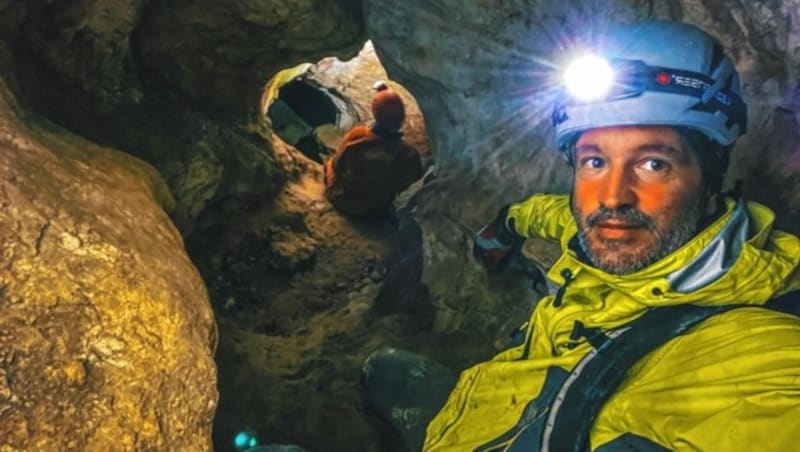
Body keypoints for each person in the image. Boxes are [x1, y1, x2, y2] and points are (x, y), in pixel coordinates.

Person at [363, 20, 800, 451]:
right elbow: (551, 215)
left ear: (710, 182)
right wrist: (503, 229)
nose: (611, 198)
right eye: (594, 162)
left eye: (653, 164)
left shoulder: (760, 364)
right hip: (509, 403)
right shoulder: (626, 230)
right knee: (384, 368)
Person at [324, 81, 423, 219]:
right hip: (375, 209)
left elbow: (337, 164)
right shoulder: (408, 154)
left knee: (329, 163)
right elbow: (410, 180)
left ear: (375, 111)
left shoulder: (358, 136)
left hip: (341, 197)